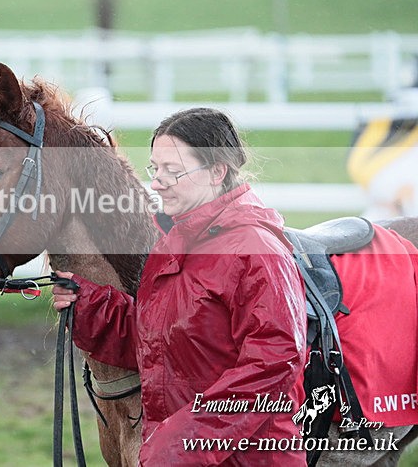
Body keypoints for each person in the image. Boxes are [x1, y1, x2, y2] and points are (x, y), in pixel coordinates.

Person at [53, 107, 308, 465]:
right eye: (155, 169)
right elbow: (159, 344)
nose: (157, 183)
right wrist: (94, 308)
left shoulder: (257, 250)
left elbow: (274, 365)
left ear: (217, 172)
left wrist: (185, 440)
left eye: (173, 172)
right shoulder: (174, 241)